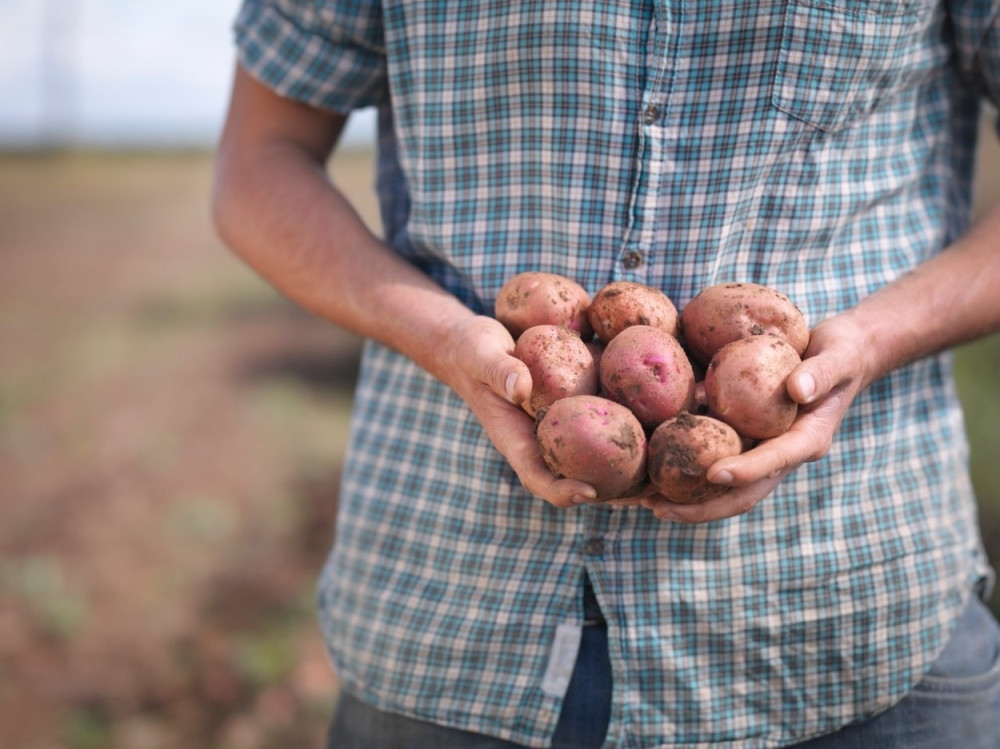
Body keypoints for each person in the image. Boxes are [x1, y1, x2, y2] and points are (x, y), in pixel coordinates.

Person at [212, 0, 1000, 746]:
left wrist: (866, 341)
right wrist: (447, 337)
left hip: (849, 616)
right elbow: (258, 165)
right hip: (448, 606)